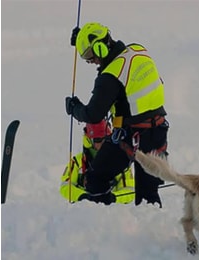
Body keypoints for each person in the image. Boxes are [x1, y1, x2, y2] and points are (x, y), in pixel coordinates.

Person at [65, 22, 169, 207]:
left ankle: (103, 221)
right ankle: (152, 228)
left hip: (132, 136)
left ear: (100, 48)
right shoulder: (138, 50)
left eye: (90, 56)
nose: (92, 61)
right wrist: (82, 39)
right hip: (158, 130)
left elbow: (93, 114)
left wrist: (74, 108)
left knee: (96, 179)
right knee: (148, 192)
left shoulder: (109, 76)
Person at [60, 120, 135, 204]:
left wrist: (113, 198)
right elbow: (65, 187)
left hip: (110, 211)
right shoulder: (77, 162)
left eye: (106, 138)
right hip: (83, 210)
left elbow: (130, 191)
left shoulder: (120, 162)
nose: (103, 143)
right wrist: (84, 196)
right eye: (98, 139)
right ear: (89, 140)